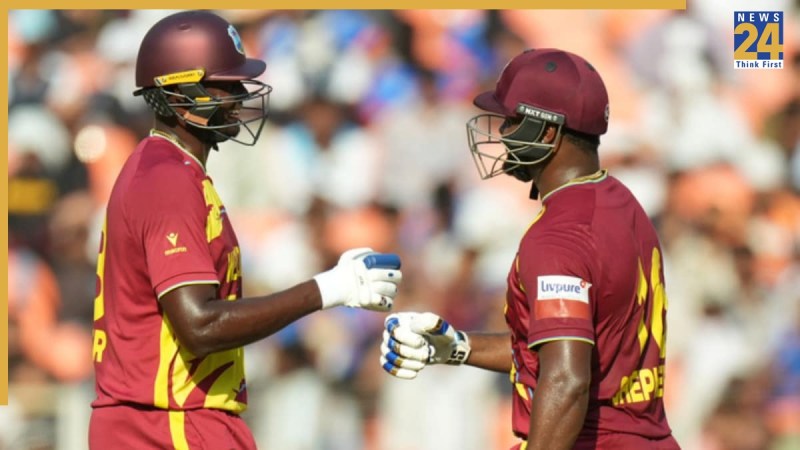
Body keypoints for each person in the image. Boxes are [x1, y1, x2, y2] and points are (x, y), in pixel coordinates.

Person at [88, 10, 402, 450]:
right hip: (170, 422)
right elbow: (199, 324)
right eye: (226, 84)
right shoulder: (168, 178)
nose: (239, 96)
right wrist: (328, 289)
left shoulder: (171, 169)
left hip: (164, 419)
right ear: (183, 90)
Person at [380, 48, 679, 450]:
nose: (502, 133)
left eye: (513, 121)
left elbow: (567, 379)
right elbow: (562, 345)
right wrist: (460, 348)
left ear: (550, 132)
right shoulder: (620, 201)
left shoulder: (558, 236)